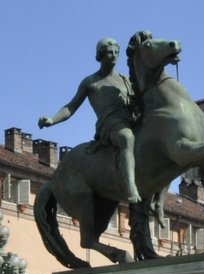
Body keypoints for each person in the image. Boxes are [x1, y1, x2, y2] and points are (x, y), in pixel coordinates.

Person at [39, 38, 139, 204]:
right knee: (127, 138)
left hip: (130, 119)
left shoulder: (124, 79)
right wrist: (51, 120)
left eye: (116, 52)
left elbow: (135, 100)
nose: (113, 56)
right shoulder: (90, 82)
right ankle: (130, 187)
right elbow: (70, 107)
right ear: (100, 55)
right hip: (111, 123)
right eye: (109, 52)